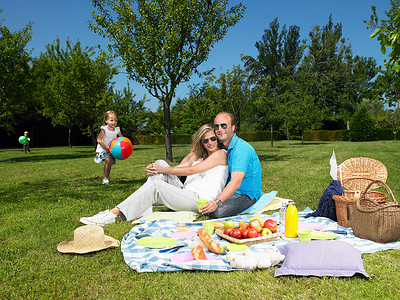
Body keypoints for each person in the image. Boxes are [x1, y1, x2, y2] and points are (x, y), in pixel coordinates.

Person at [80, 123, 229, 226]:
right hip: (185, 193)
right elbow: (179, 168)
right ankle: (142, 207)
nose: (210, 142)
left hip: (199, 202)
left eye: (213, 138)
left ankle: (112, 214)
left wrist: (160, 170)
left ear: (218, 139)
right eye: (205, 140)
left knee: (159, 178)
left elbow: (190, 171)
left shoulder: (221, 154)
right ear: (201, 142)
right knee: (161, 162)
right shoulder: (201, 156)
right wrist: (157, 168)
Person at [200, 111, 262, 218]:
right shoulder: (223, 147)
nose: (220, 129)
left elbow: (236, 182)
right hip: (229, 191)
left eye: (224, 126)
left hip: (245, 195)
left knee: (216, 212)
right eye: (217, 126)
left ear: (233, 127)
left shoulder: (241, 149)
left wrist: (217, 203)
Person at [94, 111, 123, 185]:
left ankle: (106, 177)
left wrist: (125, 145)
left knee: (109, 163)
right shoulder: (104, 129)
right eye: (111, 120)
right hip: (103, 148)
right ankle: (105, 179)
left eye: (115, 120)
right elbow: (99, 140)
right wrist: (107, 147)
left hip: (112, 149)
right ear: (106, 121)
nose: (114, 122)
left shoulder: (117, 130)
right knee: (108, 160)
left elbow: (122, 138)